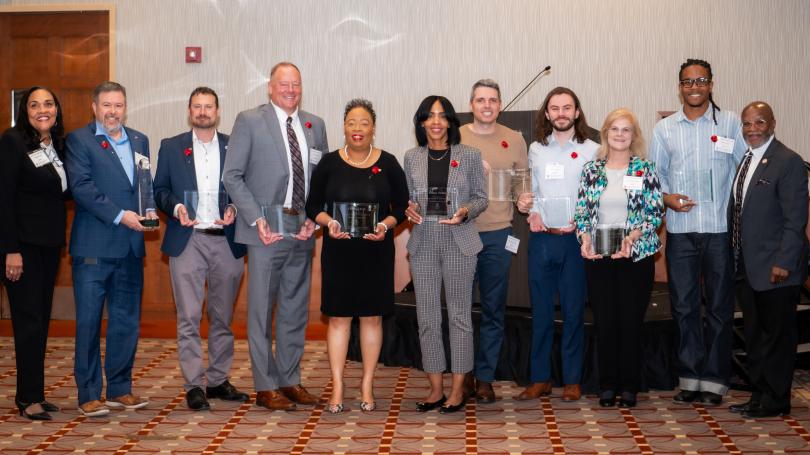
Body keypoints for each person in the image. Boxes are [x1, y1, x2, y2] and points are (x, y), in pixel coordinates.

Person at [222, 62, 328, 411]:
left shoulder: (315, 125)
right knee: (261, 311)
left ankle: (289, 380)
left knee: (295, 310)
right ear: (270, 87)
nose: (290, 90)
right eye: (284, 84)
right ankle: (265, 386)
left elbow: (321, 179)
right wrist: (256, 219)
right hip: (265, 231)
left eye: (296, 84)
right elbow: (232, 176)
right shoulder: (249, 120)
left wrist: (315, 218)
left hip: (302, 229)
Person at [649, 59, 746, 405]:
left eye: (701, 80)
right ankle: (690, 378)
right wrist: (667, 199)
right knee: (684, 306)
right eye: (688, 82)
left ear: (711, 84)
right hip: (681, 232)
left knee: (720, 308)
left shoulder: (730, 123)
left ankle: (716, 382)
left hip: (719, 230)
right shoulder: (665, 129)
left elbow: (743, 170)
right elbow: (655, 178)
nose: (694, 87)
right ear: (680, 87)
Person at [305, 99, 408, 413]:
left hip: (376, 251)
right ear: (344, 127)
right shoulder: (329, 163)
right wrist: (329, 222)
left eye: (364, 123)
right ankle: (338, 384)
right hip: (339, 252)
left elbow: (402, 207)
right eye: (351, 122)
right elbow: (312, 206)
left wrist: (385, 225)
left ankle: (367, 383)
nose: (357, 128)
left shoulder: (388, 163)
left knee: (371, 318)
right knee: (338, 318)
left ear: (373, 128)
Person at [65, 81, 158, 417]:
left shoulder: (139, 140)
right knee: (89, 323)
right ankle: (89, 393)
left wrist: (149, 211)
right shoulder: (79, 140)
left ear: (125, 107)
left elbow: (144, 186)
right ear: (94, 107)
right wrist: (123, 216)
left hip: (131, 249)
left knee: (125, 322)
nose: (112, 111)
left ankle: (120, 388)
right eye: (106, 105)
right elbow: (82, 188)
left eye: (118, 105)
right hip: (94, 247)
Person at [153, 87, 249, 411]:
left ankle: (218, 380)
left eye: (209, 106)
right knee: (189, 317)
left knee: (222, 317)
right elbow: (159, 189)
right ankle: (194, 385)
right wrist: (177, 206)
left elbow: (246, 187)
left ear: (217, 112)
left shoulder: (235, 145)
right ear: (189, 111)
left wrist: (234, 207)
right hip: (188, 239)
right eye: (197, 106)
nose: (203, 111)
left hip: (226, 239)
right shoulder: (171, 146)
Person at [575, 108, 664, 408]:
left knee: (630, 322)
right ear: (606, 133)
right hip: (599, 255)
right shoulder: (591, 170)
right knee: (605, 322)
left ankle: (629, 386)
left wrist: (632, 237)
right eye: (615, 129)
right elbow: (582, 213)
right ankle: (607, 385)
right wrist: (584, 239)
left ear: (634, 135)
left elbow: (655, 213)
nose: (620, 134)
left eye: (626, 130)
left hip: (635, 256)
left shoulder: (644, 169)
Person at [403, 95, 487, 414]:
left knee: (459, 317)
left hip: (458, 241)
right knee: (427, 318)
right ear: (422, 122)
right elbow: (408, 199)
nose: (436, 122)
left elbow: (481, 198)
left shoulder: (469, 155)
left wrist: (465, 211)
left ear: (451, 121)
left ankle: (457, 390)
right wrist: (409, 208)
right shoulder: (412, 157)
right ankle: (436, 388)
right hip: (423, 241)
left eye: (442, 116)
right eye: (430, 116)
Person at [517, 87, 599, 402]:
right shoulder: (536, 149)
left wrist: (585, 220)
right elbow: (533, 191)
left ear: (577, 112)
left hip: (576, 242)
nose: (561, 113)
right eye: (555, 108)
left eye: (567, 107)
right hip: (542, 239)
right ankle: (540, 378)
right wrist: (532, 212)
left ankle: (572, 380)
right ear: (547, 113)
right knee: (540, 313)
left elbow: (597, 195)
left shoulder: (593, 150)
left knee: (574, 312)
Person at [728, 102, 808, 418]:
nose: (752, 129)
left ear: (772, 123)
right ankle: (759, 395)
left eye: (759, 122)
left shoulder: (788, 161)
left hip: (777, 268)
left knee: (777, 337)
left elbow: (795, 219)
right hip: (748, 267)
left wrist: (784, 262)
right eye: (747, 124)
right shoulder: (747, 158)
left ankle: (776, 400)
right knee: (755, 335)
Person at [0, 87, 69, 420]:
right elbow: (4, 198)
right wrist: (11, 250)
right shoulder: (12, 142)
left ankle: (34, 393)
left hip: (49, 246)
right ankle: (28, 399)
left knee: (40, 321)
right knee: (28, 323)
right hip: (22, 249)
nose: (43, 110)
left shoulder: (57, 145)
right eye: (34, 105)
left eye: (48, 104)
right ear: (24, 111)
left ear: (57, 109)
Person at [459, 79, 529, 403]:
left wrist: (523, 198)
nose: (486, 105)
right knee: (460, 309)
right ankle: (462, 375)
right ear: (471, 105)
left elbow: (521, 183)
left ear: (500, 105)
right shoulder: (456, 136)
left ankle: (485, 377)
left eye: (492, 100)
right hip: (461, 232)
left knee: (493, 309)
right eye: (480, 100)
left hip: (499, 233)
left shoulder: (514, 139)